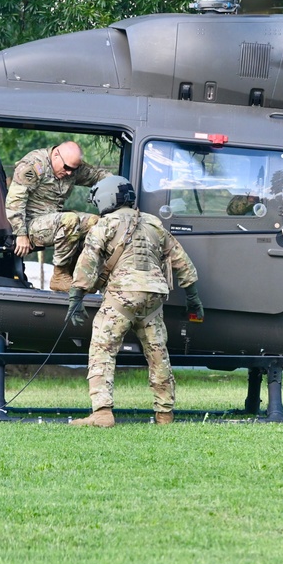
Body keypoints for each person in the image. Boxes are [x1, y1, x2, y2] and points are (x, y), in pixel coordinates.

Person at [66, 175, 203, 427]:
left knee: (102, 349)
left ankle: (102, 413)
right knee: (158, 354)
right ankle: (164, 414)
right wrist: (193, 298)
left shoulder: (105, 224)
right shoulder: (153, 223)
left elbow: (89, 259)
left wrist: (77, 296)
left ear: (106, 198)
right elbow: (180, 260)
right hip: (153, 297)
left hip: (122, 296)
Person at [5, 141, 111, 291]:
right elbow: (15, 201)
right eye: (67, 168)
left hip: (54, 219)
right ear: (56, 155)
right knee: (69, 220)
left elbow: (97, 175)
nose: (69, 173)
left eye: (73, 170)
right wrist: (20, 234)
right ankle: (59, 276)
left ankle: (76, 273)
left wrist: (119, 184)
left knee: (95, 223)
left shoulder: (71, 168)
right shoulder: (34, 165)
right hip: (31, 225)